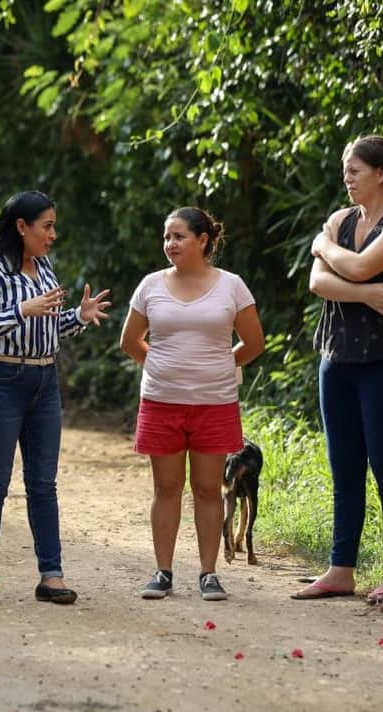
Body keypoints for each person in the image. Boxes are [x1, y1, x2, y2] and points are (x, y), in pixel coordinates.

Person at [0, 190, 111, 608]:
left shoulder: (43, 265)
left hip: (45, 380)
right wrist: (22, 309)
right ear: (21, 227)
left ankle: (52, 575)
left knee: (43, 484)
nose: (53, 235)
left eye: (54, 226)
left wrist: (77, 318)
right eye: (46, 226)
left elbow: (46, 326)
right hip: (0, 380)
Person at [294, 135, 383, 602]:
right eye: (345, 170)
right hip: (336, 357)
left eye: (354, 170)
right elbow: (317, 281)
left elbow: (363, 265)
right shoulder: (339, 220)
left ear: (380, 174)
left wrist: (324, 249)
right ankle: (340, 568)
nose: (346, 178)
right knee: (344, 468)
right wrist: (363, 292)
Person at [120, 207, 265, 601]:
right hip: (161, 401)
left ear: (203, 240)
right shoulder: (150, 285)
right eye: (167, 237)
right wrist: (163, 366)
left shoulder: (232, 286)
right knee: (166, 488)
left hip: (214, 403)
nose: (170, 244)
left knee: (206, 489)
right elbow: (130, 341)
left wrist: (217, 365)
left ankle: (208, 574)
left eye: (179, 236)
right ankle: (162, 572)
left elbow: (253, 343)